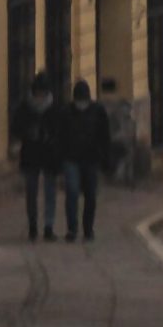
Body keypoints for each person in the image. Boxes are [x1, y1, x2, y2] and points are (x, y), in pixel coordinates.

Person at [59, 79, 112, 243]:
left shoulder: (97, 111)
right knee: (72, 191)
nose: (81, 104)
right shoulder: (66, 112)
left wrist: (105, 157)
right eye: (79, 100)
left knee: (90, 194)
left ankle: (88, 228)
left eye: (83, 100)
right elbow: (60, 137)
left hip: (91, 158)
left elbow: (105, 136)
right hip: (71, 158)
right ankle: (72, 228)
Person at [16, 70, 58, 241]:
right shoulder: (25, 108)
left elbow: (60, 129)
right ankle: (33, 225)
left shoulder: (53, 108)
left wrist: (51, 136)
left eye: (43, 92)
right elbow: (16, 127)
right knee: (31, 191)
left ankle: (48, 226)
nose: (40, 96)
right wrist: (28, 133)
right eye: (38, 92)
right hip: (31, 153)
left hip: (49, 154)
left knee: (50, 191)